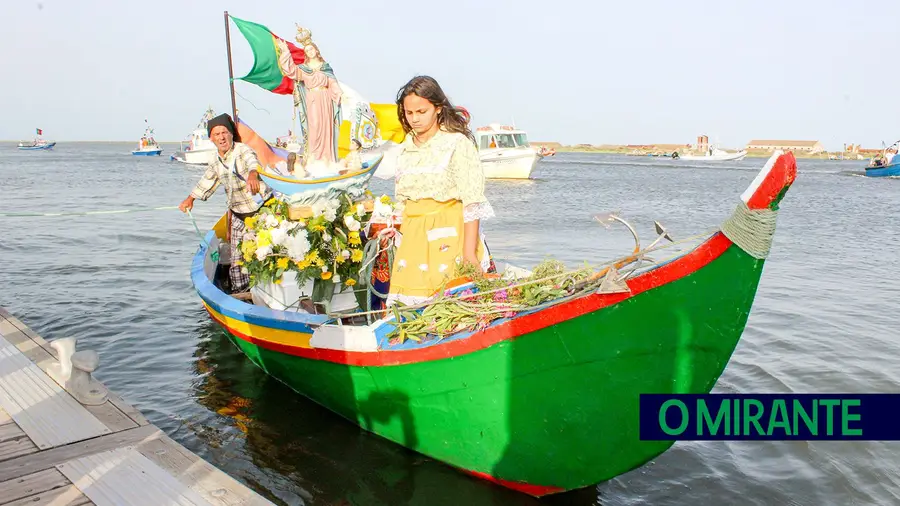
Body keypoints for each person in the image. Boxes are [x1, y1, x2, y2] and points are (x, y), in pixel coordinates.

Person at [384, 75, 496, 307]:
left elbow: (471, 202)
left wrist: (469, 255)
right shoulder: (405, 148)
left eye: (421, 112)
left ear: (438, 108)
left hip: (448, 236)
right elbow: (404, 201)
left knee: (450, 307)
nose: (414, 119)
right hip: (413, 240)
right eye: (409, 113)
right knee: (409, 312)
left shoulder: (456, 144)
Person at [178, 113, 270, 294]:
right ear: (211, 138)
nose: (221, 137)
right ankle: (240, 294)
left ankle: (266, 293)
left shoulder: (242, 150)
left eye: (224, 132)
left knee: (262, 254)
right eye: (216, 134)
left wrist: (253, 174)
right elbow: (207, 181)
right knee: (237, 261)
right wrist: (190, 199)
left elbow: (253, 162)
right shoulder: (215, 160)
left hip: (259, 212)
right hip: (237, 214)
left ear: (231, 134)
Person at [276, 26, 342, 164]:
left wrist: (338, 92)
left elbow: (332, 81)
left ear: (316, 50)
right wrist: (285, 51)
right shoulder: (303, 69)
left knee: (327, 128)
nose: (310, 52)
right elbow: (291, 71)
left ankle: (328, 159)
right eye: (307, 50)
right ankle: (315, 159)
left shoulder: (325, 67)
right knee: (315, 127)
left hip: (326, 99)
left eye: (311, 49)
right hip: (312, 101)